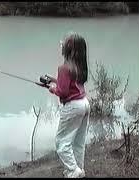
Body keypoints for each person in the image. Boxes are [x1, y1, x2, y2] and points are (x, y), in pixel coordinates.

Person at [41, 32, 90, 178]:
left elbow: (63, 92)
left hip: (73, 107)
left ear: (69, 49)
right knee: (78, 141)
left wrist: (52, 88)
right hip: (84, 104)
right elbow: (71, 85)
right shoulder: (79, 66)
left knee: (61, 143)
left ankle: (73, 171)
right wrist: (55, 80)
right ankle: (78, 169)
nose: (61, 44)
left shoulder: (64, 68)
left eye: (64, 43)